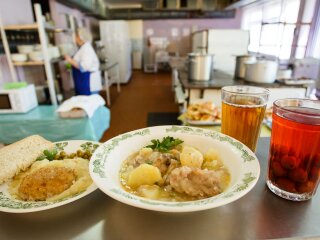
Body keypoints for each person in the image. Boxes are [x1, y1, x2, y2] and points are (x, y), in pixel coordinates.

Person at [64, 28, 102, 95]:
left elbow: (84, 67)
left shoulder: (86, 49)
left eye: (76, 36)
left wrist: (70, 60)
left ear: (80, 38)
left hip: (88, 82)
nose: (75, 38)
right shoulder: (84, 48)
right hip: (84, 81)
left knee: (89, 103)